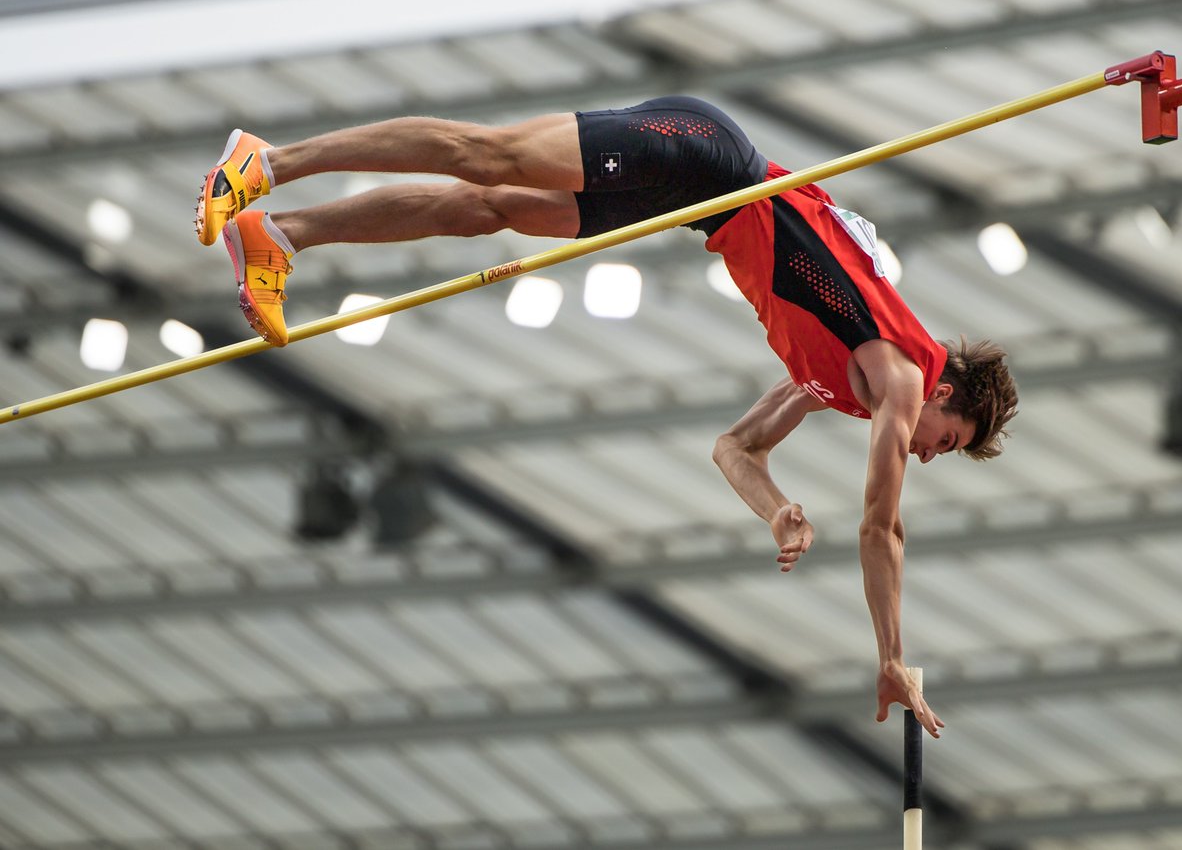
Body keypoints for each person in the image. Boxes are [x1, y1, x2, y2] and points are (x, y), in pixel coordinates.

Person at [195, 96, 1018, 738]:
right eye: (948, 444)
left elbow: (735, 448)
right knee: (489, 154)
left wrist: (778, 513)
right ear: (948, 396)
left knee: (492, 205)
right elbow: (883, 531)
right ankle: (269, 161)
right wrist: (893, 659)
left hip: (700, 204)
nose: (930, 454)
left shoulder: (844, 384)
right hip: (710, 159)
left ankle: (284, 237)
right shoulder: (903, 378)